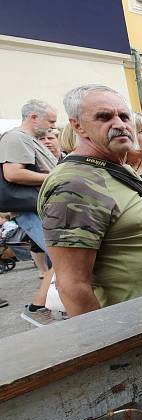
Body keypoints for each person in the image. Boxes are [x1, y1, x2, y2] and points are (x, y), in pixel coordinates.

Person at [38, 84, 142, 317]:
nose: (119, 124)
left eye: (123, 116)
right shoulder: (74, 184)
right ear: (77, 126)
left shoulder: (115, 168)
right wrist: (107, 346)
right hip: (137, 325)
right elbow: (72, 285)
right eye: (104, 117)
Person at [0, 99, 58, 315]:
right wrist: (55, 176)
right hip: (32, 208)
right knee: (64, 256)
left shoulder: (27, 139)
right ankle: (39, 305)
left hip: (40, 207)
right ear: (34, 117)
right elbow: (13, 173)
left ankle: (47, 303)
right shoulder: (15, 138)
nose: (52, 126)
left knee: (61, 257)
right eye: (50, 121)